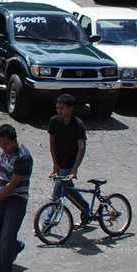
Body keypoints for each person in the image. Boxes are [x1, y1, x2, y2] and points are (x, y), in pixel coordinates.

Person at [0, 123, 31, 272]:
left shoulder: (23, 157)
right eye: (1, 143)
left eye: (6, 144)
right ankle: (15, 246)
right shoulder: (2, 151)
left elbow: (12, 185)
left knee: (6, 236)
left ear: (14, 141)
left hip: (15, 199)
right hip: (0, 196)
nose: (4, 147)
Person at [48, 94, 93, 227]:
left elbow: (81, 148)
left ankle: (46, 224)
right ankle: (86, 210)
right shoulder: (54, 121)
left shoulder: (78, 125)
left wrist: (75, 168)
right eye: (57, 108)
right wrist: (55, 163)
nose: (59, 111)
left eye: (62, 108)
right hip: (60, 163)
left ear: (70, 109)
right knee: (68, 191)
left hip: (69, 164)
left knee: (56, 194)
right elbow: (52, 144)